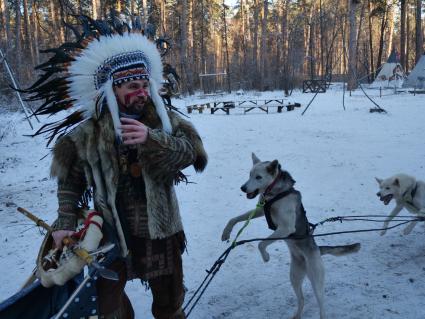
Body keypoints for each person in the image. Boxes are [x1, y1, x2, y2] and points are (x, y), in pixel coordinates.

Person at [26, 17, 207, 319]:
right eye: (133, 86)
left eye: (145, 85)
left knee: (170, 301)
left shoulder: (165, 121)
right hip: (110, 230)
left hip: (160, 229)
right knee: (109, 306)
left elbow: (193, 155)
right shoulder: (88, 133)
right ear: (113, 88)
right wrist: (64, 222)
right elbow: (69, 181)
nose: (142, 93)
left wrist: (153, 140)